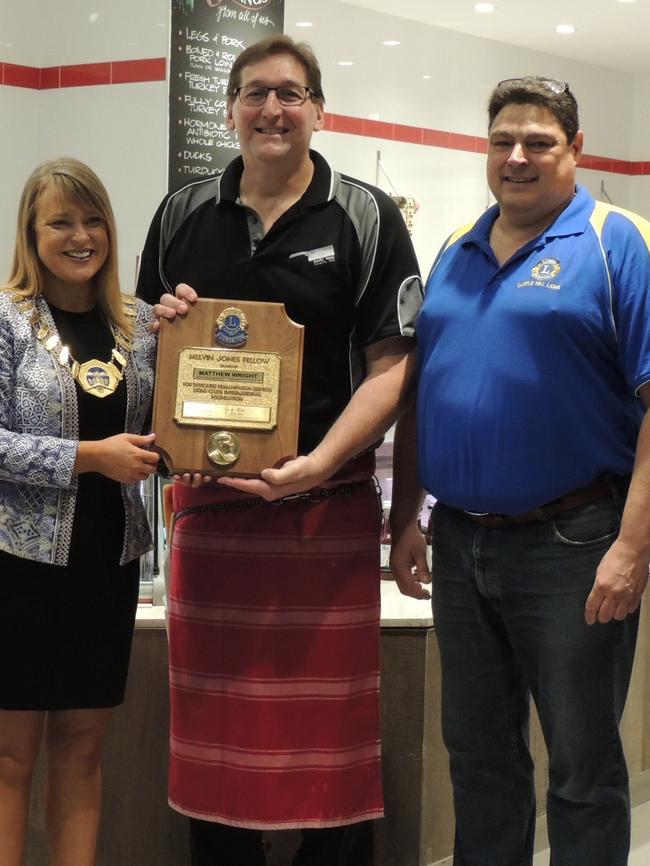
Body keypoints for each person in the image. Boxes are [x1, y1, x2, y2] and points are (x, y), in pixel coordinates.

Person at [136, 35, 422, 866]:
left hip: (322, 520)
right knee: (218, 743)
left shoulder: (365, 215)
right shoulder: (182, 213)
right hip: (212, 520)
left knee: (328, 752)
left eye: (292, 94)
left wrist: (322, 461)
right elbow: (150, 354)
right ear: (229, 110)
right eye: (256, 93)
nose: (273, 109)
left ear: (319, 111)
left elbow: (392, 368)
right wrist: (164, 346)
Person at [390, 76, 650, 866]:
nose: (518, 157)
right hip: (464, 543)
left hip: (574, 542)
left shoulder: (616, 243)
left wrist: (632, 549)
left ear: (576, 151)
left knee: (581, 766)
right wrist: (407, 515)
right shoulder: (455, 246)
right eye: (503, 140)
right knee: (478, 758)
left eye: (539, 142)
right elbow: (417, 392)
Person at [0, 157, 159, 866]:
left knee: (84, 748)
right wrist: (90, 458)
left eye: (92, 218)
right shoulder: (5, 320)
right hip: (17, 567)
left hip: (107, 561)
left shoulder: (144, 326)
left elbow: (179, 426)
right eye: (60, 221)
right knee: (8, 757)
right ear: (31, 234)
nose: (80, 235)